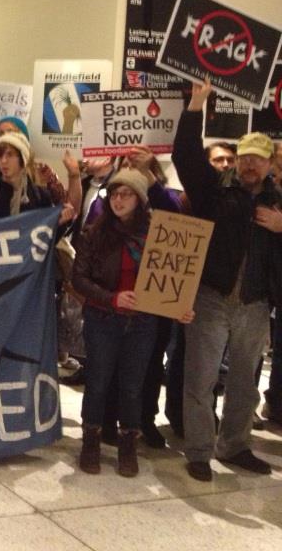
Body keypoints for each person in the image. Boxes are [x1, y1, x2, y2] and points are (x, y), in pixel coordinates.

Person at [173, 79, 282, 482]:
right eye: (245, 157)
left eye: (259, 159)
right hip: (211, 298)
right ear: (237, 160)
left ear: (270, 164)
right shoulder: (214, 191)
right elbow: (185, 156)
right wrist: (195, 106)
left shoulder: (278, 203)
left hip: (255, 304)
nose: (251, 164)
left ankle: (235, 446)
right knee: (200, 379)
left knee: (244, 385)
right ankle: (199, 451)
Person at [72, 170, 188, 477]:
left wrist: (178, 307)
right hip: (102, 319)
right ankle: (91, 442)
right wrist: (112, 298)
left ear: (140, 199)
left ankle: (128, 445)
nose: (118, 200)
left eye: (126, 194)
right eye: (114, 194)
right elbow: (79, 278)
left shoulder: (157, 235)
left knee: (133, 387)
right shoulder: (94, 233)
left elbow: (171, 279)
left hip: (142, 323)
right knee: (97, 382)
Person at [0, 132, 73, 225]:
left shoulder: (40, 196)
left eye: (10, 155)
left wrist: (61, 222)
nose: (3, 161)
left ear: (22, 158)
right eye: (0, 156)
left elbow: (46, 236)